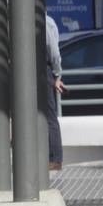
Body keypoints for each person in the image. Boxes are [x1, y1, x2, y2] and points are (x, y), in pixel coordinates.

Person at [45, 14, 65, 172]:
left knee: (49, 116)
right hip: (43, 70)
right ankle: (51, 158)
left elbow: (54, 53)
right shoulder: (48, 22)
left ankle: (55, 159)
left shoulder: (46, 23)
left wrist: (57, 75)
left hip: (43, 70)